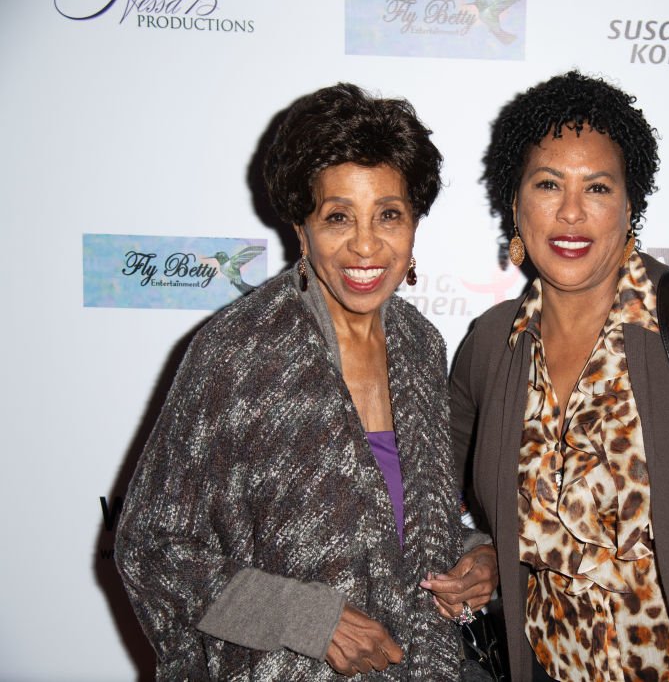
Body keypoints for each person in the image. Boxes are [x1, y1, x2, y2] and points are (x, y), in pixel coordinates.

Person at [116, 82, 497, 681]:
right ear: (302, 228)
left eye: (388, 215)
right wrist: (305, 619)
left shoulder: (421, 346)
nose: (366, 244)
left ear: (414, 225)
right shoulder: (240, 351)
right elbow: (152, 546)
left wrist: (476, 558)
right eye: (338, 216)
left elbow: (396, 526)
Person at [450, 71, 669, 682]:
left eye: (596, 186)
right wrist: (478, 551)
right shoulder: (492, 344)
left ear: (628, 204)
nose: (570, 212)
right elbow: (431, 488)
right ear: (516, 204)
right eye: (547, 184)